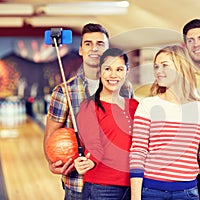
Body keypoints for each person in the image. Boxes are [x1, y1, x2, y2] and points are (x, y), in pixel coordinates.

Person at [43, 23, 132, 199]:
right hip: (78, 183)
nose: (94, 48)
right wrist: (51, 162)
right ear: (81, 50)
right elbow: (50, 136)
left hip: (113, 184)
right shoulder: (63, 91)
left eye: (100, 44)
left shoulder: (124, 88)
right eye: (88, 43)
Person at [129, 45, 200, 200]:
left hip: (187, 193)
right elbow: (138, 152)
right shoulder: (147, 105)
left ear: (181, 67)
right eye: (156, 66)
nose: (158, 71)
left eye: (165, 65)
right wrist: (135, 197)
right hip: (151, 191)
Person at [74, 48, 139, 199]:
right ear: (100, 71)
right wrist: (90, 162)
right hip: (102, 187)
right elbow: (94, 145)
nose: (113, 75)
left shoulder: (135, 106)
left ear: (127, 72)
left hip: (134, 185)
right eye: (108, 69)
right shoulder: (89, 106)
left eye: (119, 69)